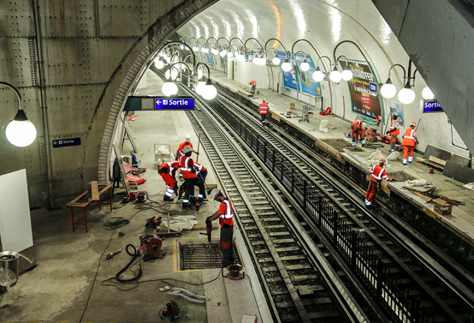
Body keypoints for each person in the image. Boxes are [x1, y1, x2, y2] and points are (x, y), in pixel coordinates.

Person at [206, 191, 234, 267]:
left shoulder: (223, 204)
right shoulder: (227, 200)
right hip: (229, 226)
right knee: (229, 244)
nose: (217, 200)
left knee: (224, 246)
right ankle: (231, 260)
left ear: (218, 196)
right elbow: (219, 211)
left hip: (226, 228)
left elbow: (218, 214)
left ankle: (225, 264)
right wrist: (211, 216)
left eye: (216, 199)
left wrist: (210, 219)